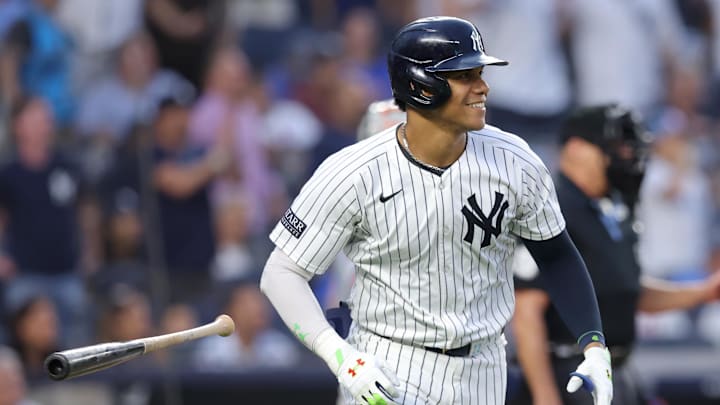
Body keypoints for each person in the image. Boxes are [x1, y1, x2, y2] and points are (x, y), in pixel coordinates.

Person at [261, 16, 614, 405]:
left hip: (484, 371)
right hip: (390, 367)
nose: (482, 87)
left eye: (480, 73)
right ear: (420, 85)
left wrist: (594, 344)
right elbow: (281, 273)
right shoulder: (353, 171)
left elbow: (557, 256)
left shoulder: (515, 160)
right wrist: (338, 354)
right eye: (464, 75)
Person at [509, 104, 720, 405]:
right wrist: (545, 396)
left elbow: (626, 291)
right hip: (570, 375)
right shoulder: (549, 210)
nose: (627, 156)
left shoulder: (613, 209)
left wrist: (702, 292)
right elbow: (528, 312)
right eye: (616, 147)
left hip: (619, 371)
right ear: (577, 149)